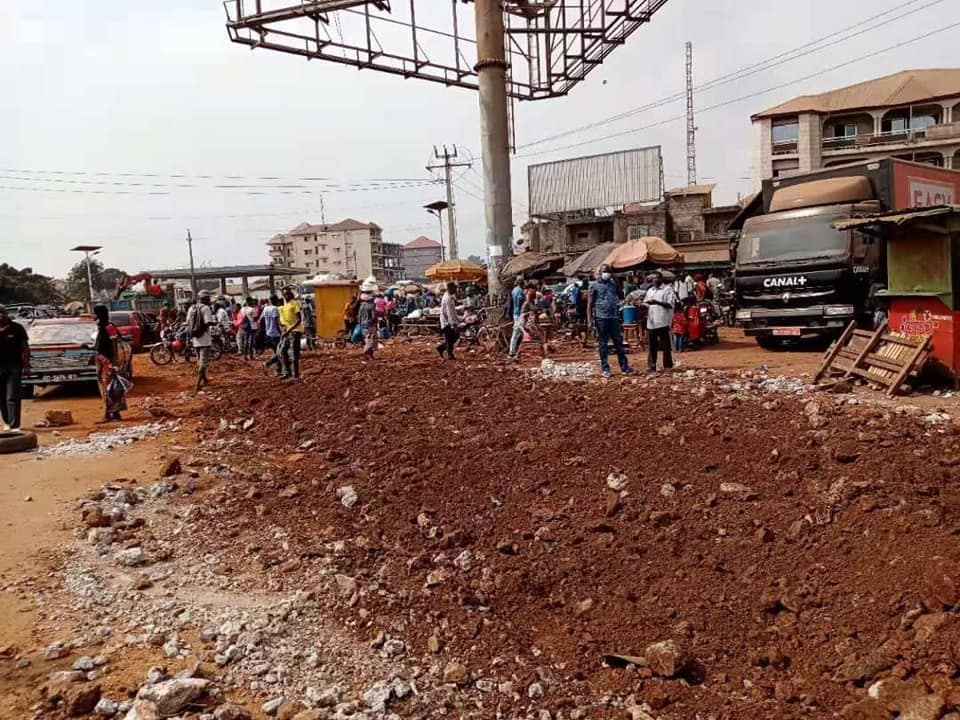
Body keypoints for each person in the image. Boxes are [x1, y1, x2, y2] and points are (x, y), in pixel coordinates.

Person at [588, 265, 634, 379]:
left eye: (608, 272)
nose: (606, 274)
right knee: (603, 344)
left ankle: (625, 367)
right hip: (601, 318)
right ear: (600, 272)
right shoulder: (594, 285)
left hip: (613, 317)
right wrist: (589, 321)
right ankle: (605, 368)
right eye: (604, 272)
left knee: (618, 343)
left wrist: (616, 278)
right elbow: (589, 304)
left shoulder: (613, 284)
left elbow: (621, 295)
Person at [93, 304, 128, 422]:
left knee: (108, 388)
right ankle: (114, 413)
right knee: (111, 387)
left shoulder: (105, 328)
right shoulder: (108, 326)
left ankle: (110, 414)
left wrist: (112, 362)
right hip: (108, 361)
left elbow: (109, 346)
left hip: (107, 362)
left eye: (95, 313)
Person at [0, 305, 29, 431]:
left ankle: (15, 424)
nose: (0, 316)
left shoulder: (17, 328)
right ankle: (6, 422)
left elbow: (25, 348)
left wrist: (27, 365)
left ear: (6, 314)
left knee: (12, 395)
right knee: (1, 397)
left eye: (2, 313)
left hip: (14, 367)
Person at [643, 271, 676, 373]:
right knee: (652, 346)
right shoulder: (650, 291)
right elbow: (647, 303)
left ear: (661, 279)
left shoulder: (667, 290)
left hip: (663, 321)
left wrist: (657, 302)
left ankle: (668, 366)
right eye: (652, 279)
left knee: (665, 346)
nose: (654, 280)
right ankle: (652, 366)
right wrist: (642, 305)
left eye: (656, 278)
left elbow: (670, 304)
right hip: (651, 322)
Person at [185, 290, 215, 391]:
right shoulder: (206, 308)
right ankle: (197, 384)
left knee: (199, 360)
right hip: (205, 339)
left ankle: (205, 379)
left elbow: (188, 322)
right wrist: (214, 323)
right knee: (203, 363)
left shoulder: (191, 308)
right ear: (205, 298)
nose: (209, 300)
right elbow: (208, 323)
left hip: (195, 339)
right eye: (208, 298)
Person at [277, 287, 303, 379]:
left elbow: (299, 319)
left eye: (288, 294)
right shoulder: (285, 305)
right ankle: (287, 372)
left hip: (295, 331)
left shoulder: (294, 303)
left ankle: (295, 374)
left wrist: (289, 330)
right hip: (287, 332)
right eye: (285, 294)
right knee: (282, 352)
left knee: (294, 354)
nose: (286, 295)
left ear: (290, 294)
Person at [436, 281, 460, 361]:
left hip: (447, 321)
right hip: (447, 322)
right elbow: (450, 313)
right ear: (450, 288)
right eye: (454, 288)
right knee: (450, 338)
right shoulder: (448, 299)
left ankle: (441, 348)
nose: (456, 290)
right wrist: (453, 325)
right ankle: (449, 354)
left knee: (453, 337)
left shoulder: (449, 297)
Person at [262, 296, 283, 376]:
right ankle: (268, 364)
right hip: (275, 333)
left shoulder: (265, 309)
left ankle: (278, 371)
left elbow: (264, 320)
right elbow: (276, 322)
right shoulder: (275, 309)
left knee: (277, 352)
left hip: (268, 333)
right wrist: (280, 332)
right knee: (280, 352)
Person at [507, 277, 526, 359]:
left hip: (516, 313)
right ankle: (512, 352)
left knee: (520, 332)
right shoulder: (519, 291)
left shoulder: (514, 290)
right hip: (518, 314)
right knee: (516, 332)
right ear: (521, 283)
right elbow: (519, 302)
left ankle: (519, 350)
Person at [358, 291, 377, 360]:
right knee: (371, 340)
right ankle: (366, 352)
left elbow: (359, 317)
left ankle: (370, 355)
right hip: (370, 324)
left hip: (363, 325)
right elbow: (373, 316)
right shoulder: (371, 306)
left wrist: (360, 323)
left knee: (366, 339)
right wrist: (375, 322)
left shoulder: (361, 306)